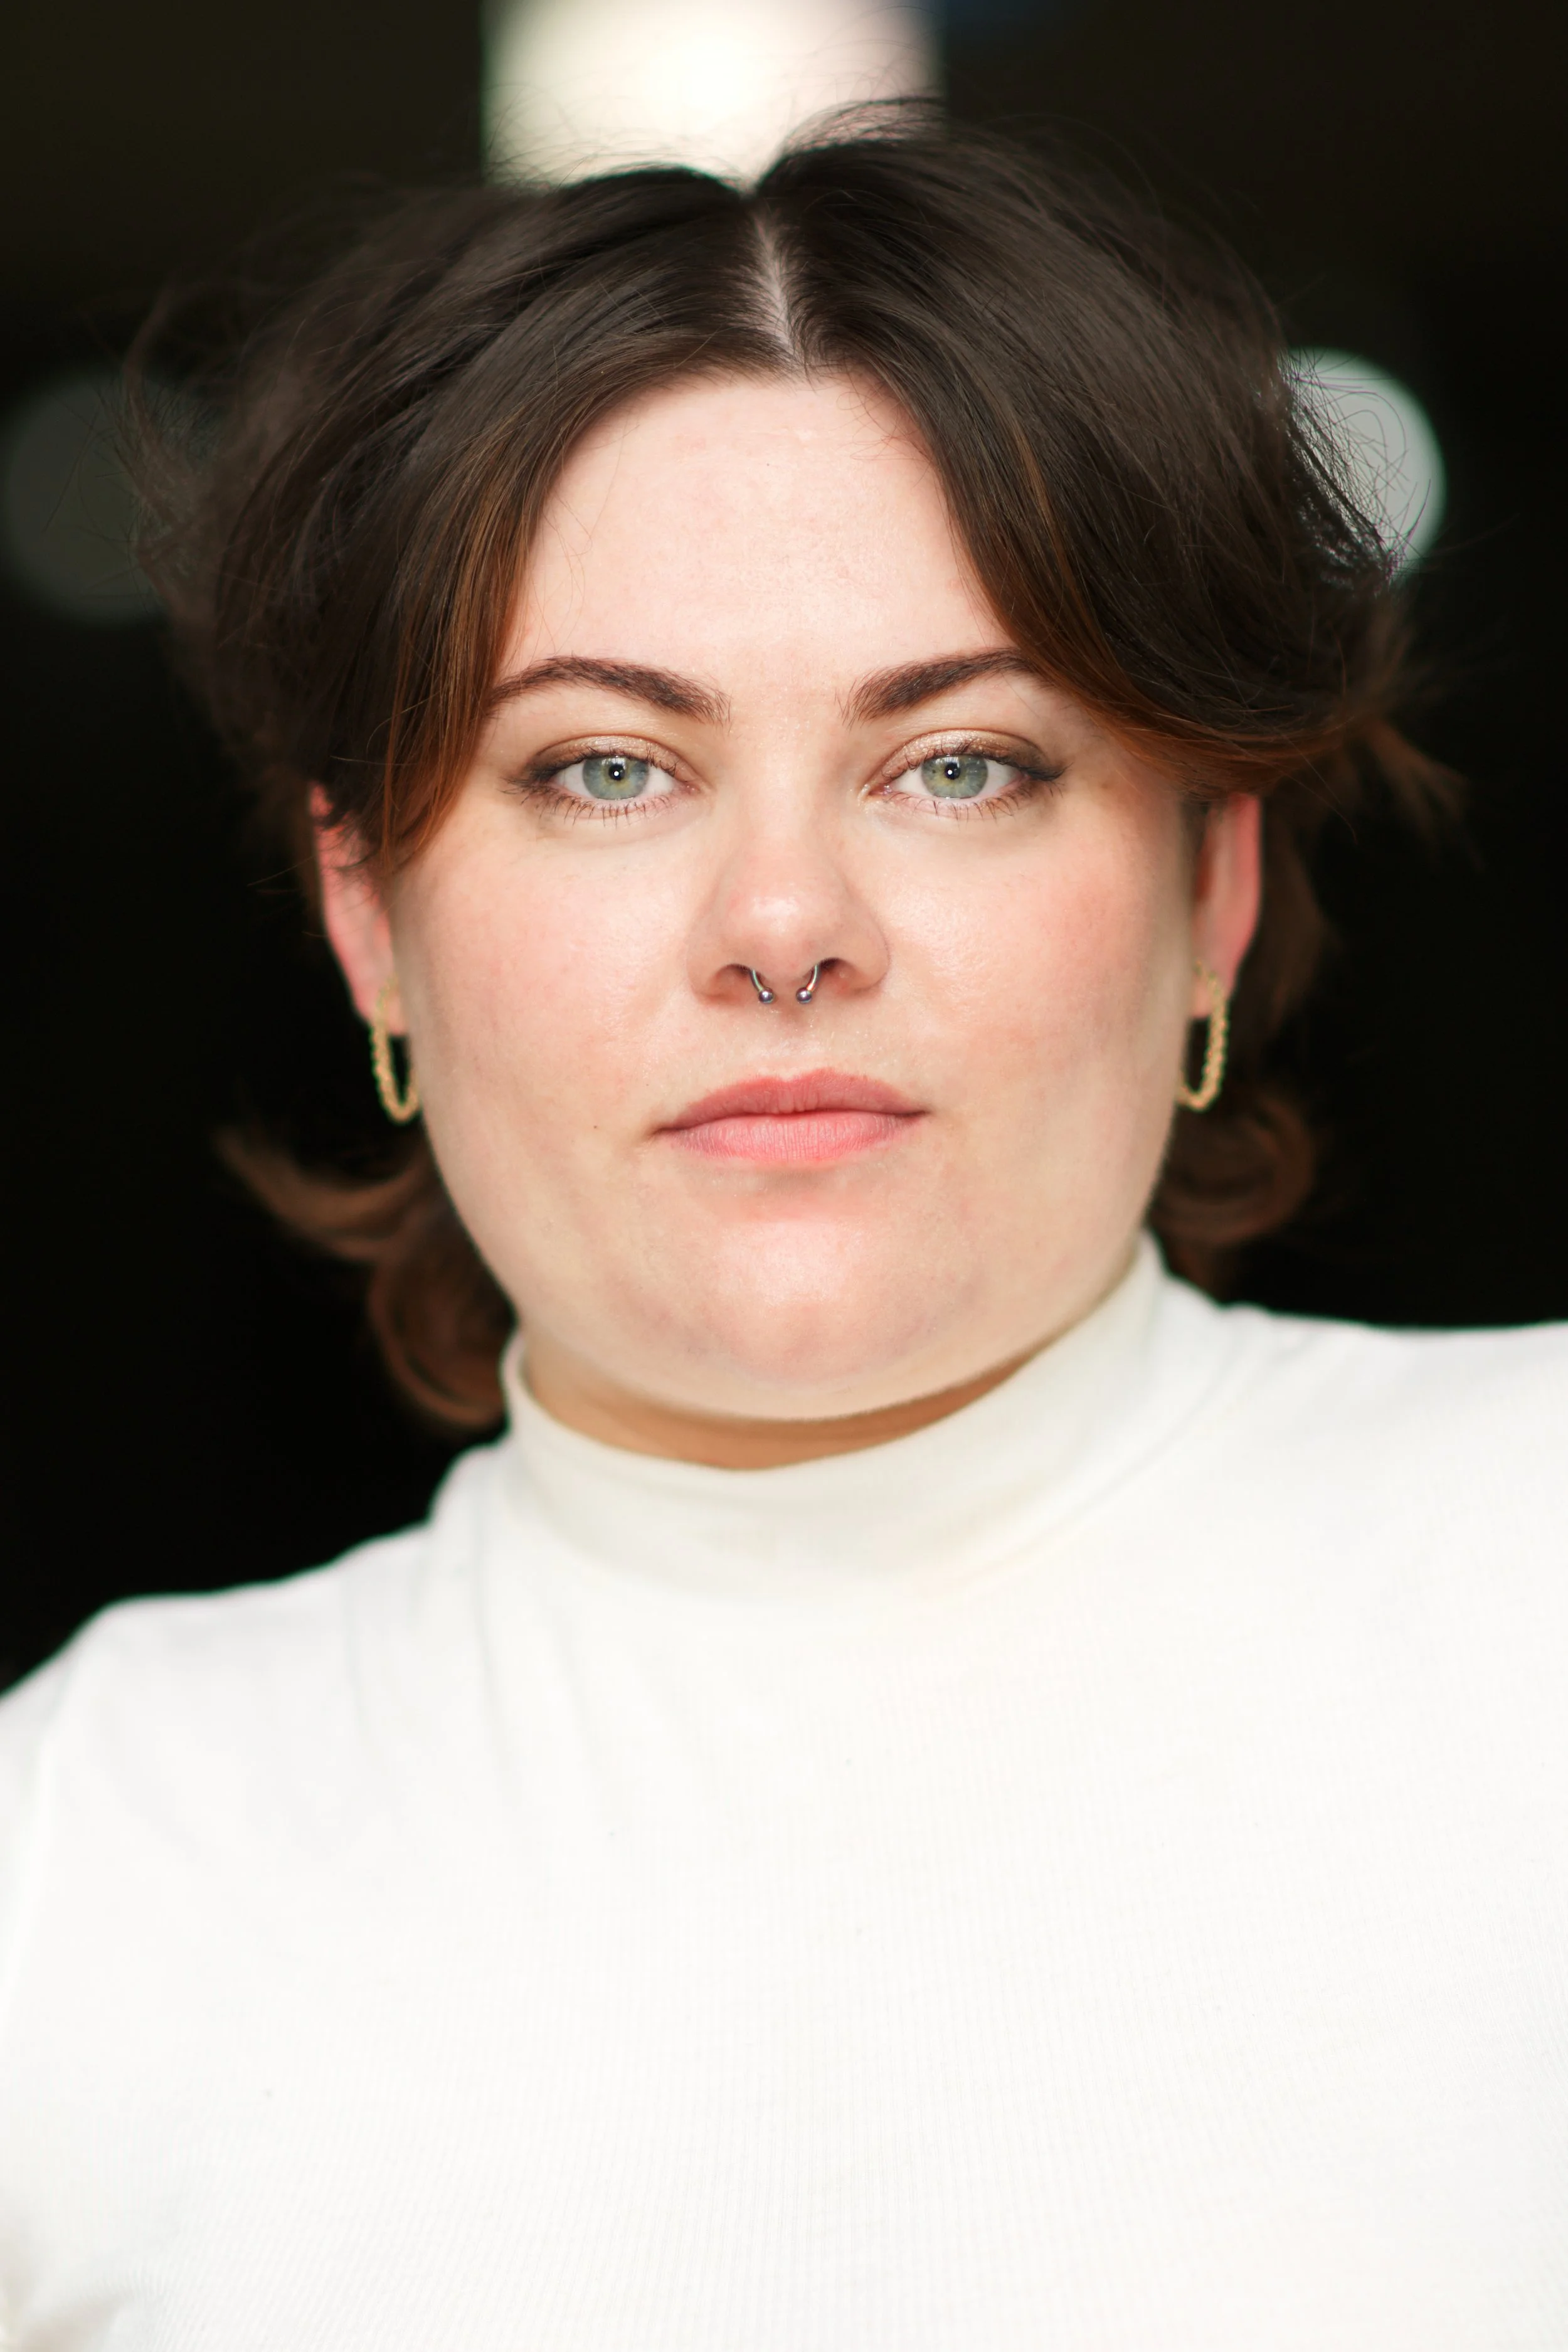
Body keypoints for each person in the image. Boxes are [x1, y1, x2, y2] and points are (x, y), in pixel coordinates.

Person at [1, 111, 1564, 2351]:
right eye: (604, 769)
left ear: (1208, 889)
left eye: (961, 763)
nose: (782, 928)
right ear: (369, 915)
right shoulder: (90, 1860)